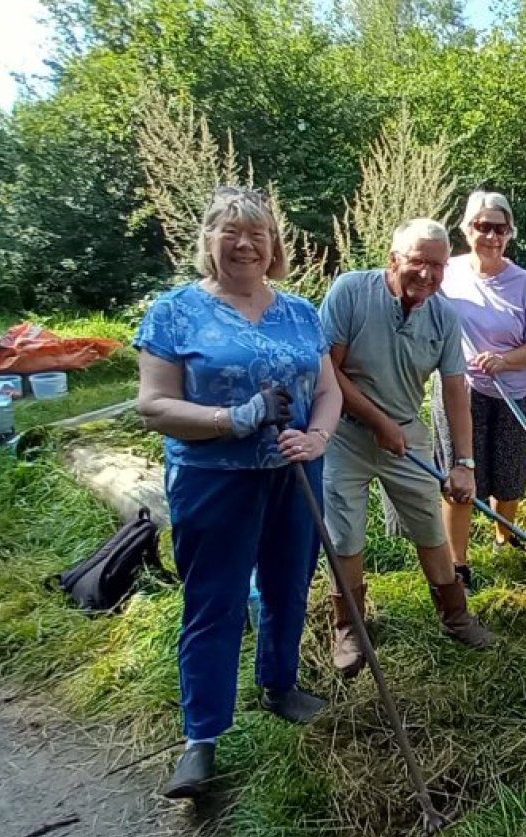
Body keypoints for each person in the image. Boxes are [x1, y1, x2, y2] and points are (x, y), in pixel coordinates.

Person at [135, 186, 343, 799]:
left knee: (287, 585)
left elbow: (327, 389)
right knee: (215, 601)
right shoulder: (174, 313)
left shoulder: (302, 312)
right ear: (209, 243)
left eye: (258, 234)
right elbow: (153, 406)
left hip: (294, 473)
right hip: (214, 479)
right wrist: (235, 418)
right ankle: (201, 739)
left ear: (275, 246)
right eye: (231, 233)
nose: (246, 244)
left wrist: (319, 437)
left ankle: (280, 685)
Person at [319, 217, 495, 679]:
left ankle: (456, 616)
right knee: (344, 534)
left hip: (405, 435)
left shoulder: (443, 317)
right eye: (419, 262)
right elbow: (327, 370)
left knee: (429, 526)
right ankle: (349, 626)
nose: (429, 275)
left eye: (438, 266)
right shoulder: (350, 293)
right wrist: (376, 421)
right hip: (344, 432)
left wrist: (464, 463)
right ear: (394, 259)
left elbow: (456, 391)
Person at [431, 191, 526, 588]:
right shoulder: (446, 274)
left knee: (510, 476)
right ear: (468, 230)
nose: (492, 236)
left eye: (500, 228)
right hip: (461, 391)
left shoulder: (523, 282)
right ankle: (458, 564)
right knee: (462, 475)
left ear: (509, 233)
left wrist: (505, 360)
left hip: (514, 390)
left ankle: (504, 535)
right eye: (483, 227)